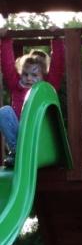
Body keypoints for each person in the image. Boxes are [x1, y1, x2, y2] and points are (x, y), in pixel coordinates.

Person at [1, 31, 65, 166]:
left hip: (38, 134)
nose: (29, 78)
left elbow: (57, 68)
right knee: (5, 111)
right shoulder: (17, 86)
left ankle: (24, 151)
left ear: (43, 76)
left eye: (34, 75)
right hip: (21, 135)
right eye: (25, 74)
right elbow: (7, 66)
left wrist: (57, 38)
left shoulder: (46, 87)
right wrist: (6, 40)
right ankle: (17, 151)